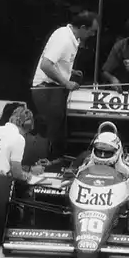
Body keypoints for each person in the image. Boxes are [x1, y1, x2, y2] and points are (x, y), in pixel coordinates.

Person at [30, 10, 98, 159]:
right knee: (53, 130)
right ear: (82, 27)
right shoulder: (64, 39)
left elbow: (56, 61)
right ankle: (46, 162)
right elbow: (46, 65)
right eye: (92, 31)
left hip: (52, 88)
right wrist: (66, 82)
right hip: (46, 88)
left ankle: (53, 161)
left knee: (58, 128)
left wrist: (69, 70)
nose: (92, 35)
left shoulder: (70, 36)